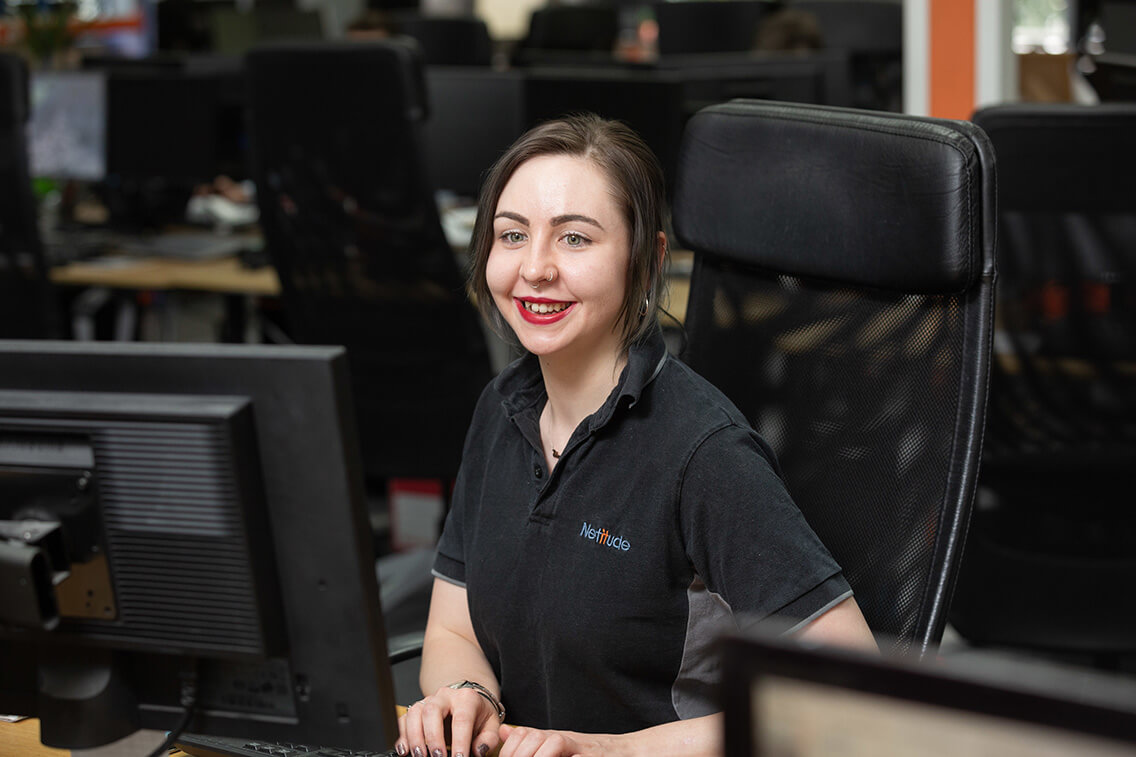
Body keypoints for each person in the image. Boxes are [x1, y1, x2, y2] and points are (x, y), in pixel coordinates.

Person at [395, 114, 876, 757]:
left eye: (574, 239)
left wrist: (603, 751)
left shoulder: (703, 453)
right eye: (512, 235)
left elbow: (849, 694)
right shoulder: (500, 409)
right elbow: (454, 628)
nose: (534, 269)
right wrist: (468, 697)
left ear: (646, 260)